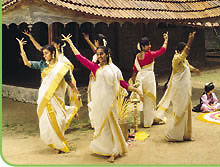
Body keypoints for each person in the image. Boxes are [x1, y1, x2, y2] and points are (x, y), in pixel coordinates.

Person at [62, 34, 143, 162]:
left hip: (110, 103)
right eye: (98, 54)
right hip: (99, 103)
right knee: (102, 127)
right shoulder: (95, 68)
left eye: (101, 54)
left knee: (112, 126)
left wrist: (136, 90)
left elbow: (123, 83)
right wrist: (71, 44)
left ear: (107, 54)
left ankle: (114, 151)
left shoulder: (114, 69)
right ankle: (105, 148)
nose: (99, 57)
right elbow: (81, 58)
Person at [16, 38, 81, 154]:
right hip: (46, 98)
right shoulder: (42, 65)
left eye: (46, 53)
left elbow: (69, 82)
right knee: (48, 121)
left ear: (53, 53)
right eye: (43, 54)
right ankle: (58, 144)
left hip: (58, 98)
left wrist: (76, 92)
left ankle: (59, 141)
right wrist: (21, 47)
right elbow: (27, 63)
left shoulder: (62, 67)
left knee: (60, 119)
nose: (44, 56)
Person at [156, 32, 199, 142]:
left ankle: (185, 134)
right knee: (179, 111)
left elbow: (188, 66)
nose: (186, 51)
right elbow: (185, 53)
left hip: (185, 90)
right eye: (184, 49)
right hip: (179, 91)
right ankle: (174, 135)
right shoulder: (176, 59)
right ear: (180, 50)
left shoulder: (183, 60)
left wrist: (195, 70)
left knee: (186, 110)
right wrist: (190, 40)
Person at [130, 32, 168, 128]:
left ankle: (144, 121)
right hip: (149, 78)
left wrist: (133, 82)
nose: (150, 46)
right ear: (143, 46)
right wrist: (166, 40)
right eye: (148, 45)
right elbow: (162, 50)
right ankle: (148, 122)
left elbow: (134, 70)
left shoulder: (137, 57)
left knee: (143, 100)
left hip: (140, 78)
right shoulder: (150, 55)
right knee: (150, 100)